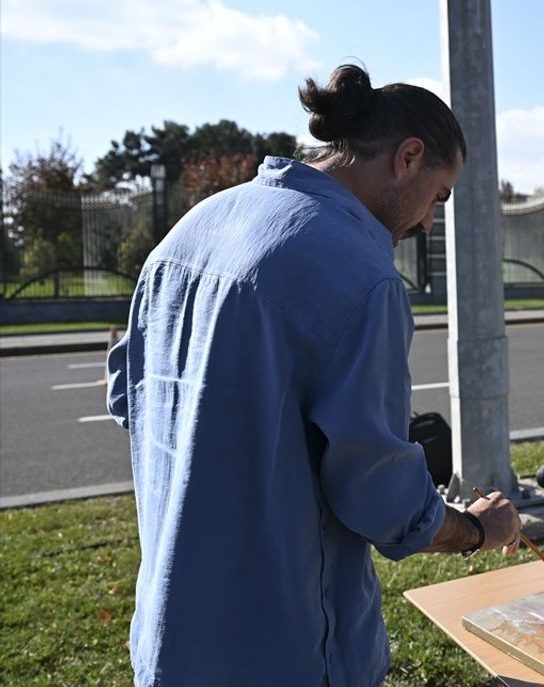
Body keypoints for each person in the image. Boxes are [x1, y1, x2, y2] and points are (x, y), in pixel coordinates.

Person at [106, 64, 521, 686]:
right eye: (439, 197)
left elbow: (129, 397)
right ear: (408, 157)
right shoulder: (363, 276)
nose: (428, 224)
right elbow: (382, 499)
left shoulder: (190, 230)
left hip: (168, 640)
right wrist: (477, 530)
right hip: (285, 650)